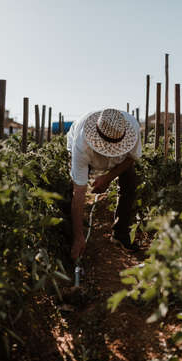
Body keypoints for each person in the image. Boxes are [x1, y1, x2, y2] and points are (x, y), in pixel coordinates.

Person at [67, 108, 142, 262]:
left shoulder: (132, 130)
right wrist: (79, 237)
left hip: (120, 162)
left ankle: (120, 234)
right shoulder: (81, 145)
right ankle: (73, 236)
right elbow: (79, 192)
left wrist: (108, 177)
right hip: (83, 151)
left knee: (129, 185)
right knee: (72, 188)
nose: (109, 152)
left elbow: (131, 158)